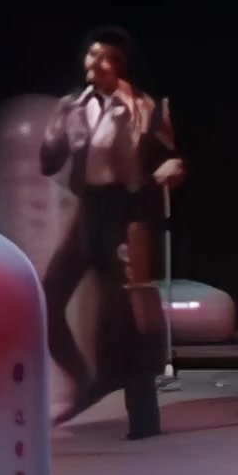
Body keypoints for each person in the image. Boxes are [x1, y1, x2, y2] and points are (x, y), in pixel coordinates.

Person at [39, 26, 183, 440]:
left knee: (128, 316)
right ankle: (85, 381)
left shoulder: (145, 106)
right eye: (93, 55)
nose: (98, 64)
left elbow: (172, 156)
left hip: (128, 213)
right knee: (47, 299)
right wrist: (58, 124)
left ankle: (143, 418)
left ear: (121, 66)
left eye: (108, 58)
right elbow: (49, 163)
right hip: (90, 210)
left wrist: (173, 168)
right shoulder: (72, 105)